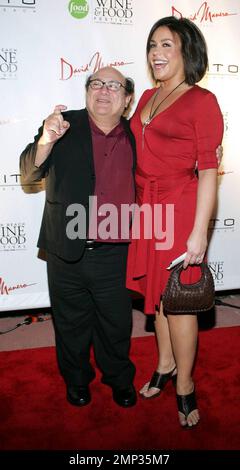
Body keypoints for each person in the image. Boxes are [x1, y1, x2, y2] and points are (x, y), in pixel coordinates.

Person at [20, 66, 137, 408]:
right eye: (96, 83)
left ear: (127, 99)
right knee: (70, 325)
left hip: (115, 252)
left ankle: (119, 378)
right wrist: (46, 140)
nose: (103, 90)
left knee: (115, 325)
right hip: (64, 250)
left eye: (113, 85)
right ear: (87, 91)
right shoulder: (62, 125)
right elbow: (28, 171)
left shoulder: (137, 135)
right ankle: (76, 381)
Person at [126, 16, 224, 428]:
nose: (156, 53)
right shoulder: (148, 94)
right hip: (147, 209)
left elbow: (206, 170)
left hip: (181, 206)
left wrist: (199, 232)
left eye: (167, 45)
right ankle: (164, 364)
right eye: (152, 45)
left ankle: (184, 384)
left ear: (187, 51)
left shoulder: (202, 101)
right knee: (159, 297)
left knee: (179, 304)